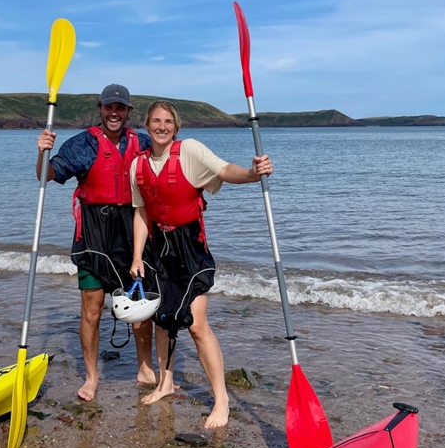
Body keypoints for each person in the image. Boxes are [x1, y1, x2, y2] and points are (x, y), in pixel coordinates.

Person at [129, 100, 273, 429]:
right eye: (155, 121)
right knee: (163, 319)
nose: (162, 126)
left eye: (168, 121)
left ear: (176, 127)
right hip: (157, 248)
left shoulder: (190, 151)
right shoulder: (137, 166)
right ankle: (165, 383)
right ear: (147, 125)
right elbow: (141, 212)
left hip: (190, 246)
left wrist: (253, 174)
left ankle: (221, 400)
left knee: (195, 323)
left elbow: (225, 171)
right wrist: (137, 256)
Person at [36, 84, 155, 402]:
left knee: (140, 306)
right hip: (92, 233)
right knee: (92, 309)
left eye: (120, 108)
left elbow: (173, 163)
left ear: (130, 112)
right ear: (100, 110)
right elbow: (45, 175)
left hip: (131, 231)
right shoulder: (83, 144)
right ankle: (91, 376)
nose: (113, 113)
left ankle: (145, 368)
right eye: (108, 107)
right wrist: (42, 151)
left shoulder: (142, 142)